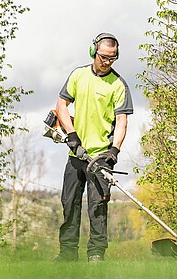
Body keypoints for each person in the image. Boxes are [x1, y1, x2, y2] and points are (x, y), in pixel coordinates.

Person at [54, 32, 133, 262]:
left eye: (112, 58)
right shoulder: (78, 76)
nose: (107, 62)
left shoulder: (118, 85)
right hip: (75, 155)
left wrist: (114, 151)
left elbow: (122, 122)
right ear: (93, 52)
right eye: (103, 57)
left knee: (97, 209)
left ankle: (96, 252)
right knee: (70, 204)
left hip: (100, 158)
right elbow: (61, 105)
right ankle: (68, 253)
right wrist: (72, 136)